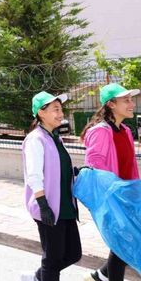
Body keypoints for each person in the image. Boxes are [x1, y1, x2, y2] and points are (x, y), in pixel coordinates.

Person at [81, 83, 140, 281]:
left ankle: (99, 276)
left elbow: (130, 168)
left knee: (124, 244)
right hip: (111, 201)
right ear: (111, 104)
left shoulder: (125, 131)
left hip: (127, 199)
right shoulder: (100, 132)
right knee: (122, 244)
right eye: (126, 100)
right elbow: (96, 173)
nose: (132, 104)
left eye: (131, 99)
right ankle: (101, 276)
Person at [21, 91, 81, 281]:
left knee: (73, 254)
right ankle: (43, 275)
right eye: (55, 109)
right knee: (52, 260)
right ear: (41, 113)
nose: (60, 113)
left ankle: (39, 276)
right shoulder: (35, 139)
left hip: (65, 206)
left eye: (60, 109)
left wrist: (74, 173)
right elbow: (34, 175)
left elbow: (57, 167)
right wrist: (43, 206)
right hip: (49, 207)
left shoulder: (55, 138)